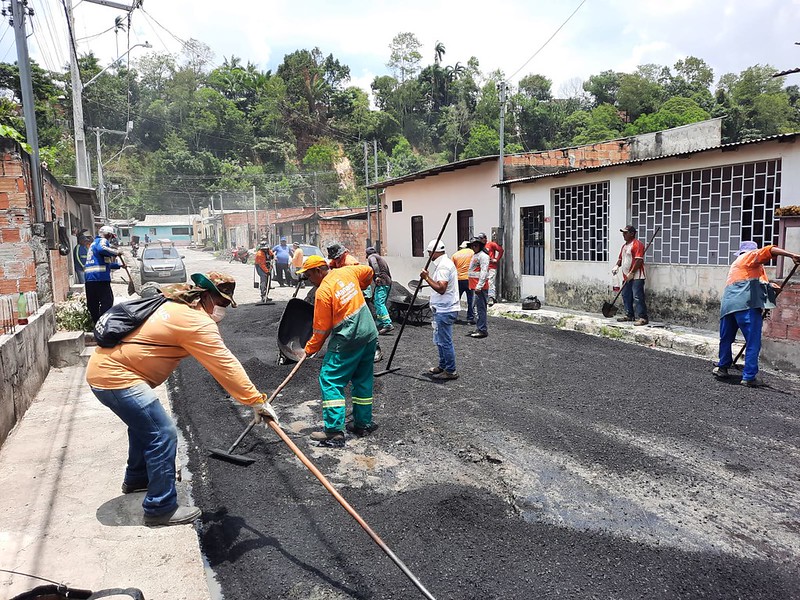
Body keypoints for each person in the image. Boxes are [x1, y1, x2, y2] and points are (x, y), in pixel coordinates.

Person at [86, 272, 278, 525]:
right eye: (221, 303)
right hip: (117, 378)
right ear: (207, 297)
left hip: (105, 371)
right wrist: (255, 400)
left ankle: (137, 479)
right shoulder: (195, 322)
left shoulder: (173, 304)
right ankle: (160, 508)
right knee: (162, 433)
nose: (222, 311)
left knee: (143, 426)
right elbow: (224, 364)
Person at [298, 256, 379, 447]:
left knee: (330, 379)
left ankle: (334, 431)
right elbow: (368, 272)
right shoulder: (347, 271)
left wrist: (310, 349)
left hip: (349, 337)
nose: (310, 280)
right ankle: (362, 423)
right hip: (369, 333)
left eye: (310, 275)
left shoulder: (324, 291)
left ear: (319, 270)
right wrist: (361, 285)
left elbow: (321, 329)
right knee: (362, 379)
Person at [713, 241, 800, 386]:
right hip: (746, 306)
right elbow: (770, 249)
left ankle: (722, 367)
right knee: (753, 342)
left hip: (728, 306)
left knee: (726, 338)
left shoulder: (743, 267)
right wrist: (792, 255)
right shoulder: (748, 257)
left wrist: (771, 287)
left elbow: (754, 284)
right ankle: (749, 376)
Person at [420, 239, 460, 380]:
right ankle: (443, 365)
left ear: (434, 252)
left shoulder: (443, 266)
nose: (429, 256)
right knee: (439, 339)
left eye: (429, 253)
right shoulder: (444, 263)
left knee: (445, 341)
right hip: (442, 308)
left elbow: (441, 288)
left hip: (445, 309)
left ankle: (450, 370)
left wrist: (426, 278)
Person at [85, 225, 123, 323]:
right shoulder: (102, 241)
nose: (110, 240)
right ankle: (102, 322)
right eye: (110, 237)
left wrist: (119, 265)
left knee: (93, 304)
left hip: (90, 279)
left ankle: (96, 324)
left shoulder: (93, 244)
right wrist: (116, 252)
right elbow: (102, 249)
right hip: (100, 278)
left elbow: (106, 264)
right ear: (108, 235)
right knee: (107, 301)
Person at [612, 225, 648, 326]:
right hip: (626, 276)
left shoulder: (637, 244)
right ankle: (629, 315)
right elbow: (620, 258)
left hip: (637, 276)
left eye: (625, 233)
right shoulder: (624, 246)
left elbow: (638, 260)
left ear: (632, 233)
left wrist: (632, 273)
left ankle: (643, 317)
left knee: (637, 296)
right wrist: (616, 266)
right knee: (626, 295)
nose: (624, 235)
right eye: (623, 233)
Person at [366, 246, 394, 334]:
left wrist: (377, 276)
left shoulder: (372, 257)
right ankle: (380, 323)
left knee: (379, 303)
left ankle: (387, 324)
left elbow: (374, 264)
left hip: (382, 282)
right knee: (378, 302)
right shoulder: (380, 258)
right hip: (387, 282)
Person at [467, 236, 490, 338]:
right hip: (475, 286)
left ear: (480, 245)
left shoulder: (483, 256)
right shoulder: (476, 255)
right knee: (477, 308)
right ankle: (479, 327)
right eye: (472, 245)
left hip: (479, 287)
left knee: (480, 309)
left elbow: (484, 272)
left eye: (476, 245)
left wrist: (479, 286)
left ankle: (482, 329)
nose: (474, 247)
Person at [451, 240, 475, 324]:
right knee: (471, 299)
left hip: (458, 279)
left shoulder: (455, 255)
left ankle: (454, 317)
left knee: (456, 299)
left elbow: (452, 268)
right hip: (469, 279)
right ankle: (470, 318)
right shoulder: (472, 252)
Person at [478, 232, 504, 306]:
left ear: (485, 238)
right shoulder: (479, 246)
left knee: (490, 282)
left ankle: (491, 297)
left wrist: (496, 259)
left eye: (482, 239)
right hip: (483, 267)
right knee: (482, 282)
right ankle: (484, 297)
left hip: (491, 266)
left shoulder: (491, 244)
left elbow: (501, 250)